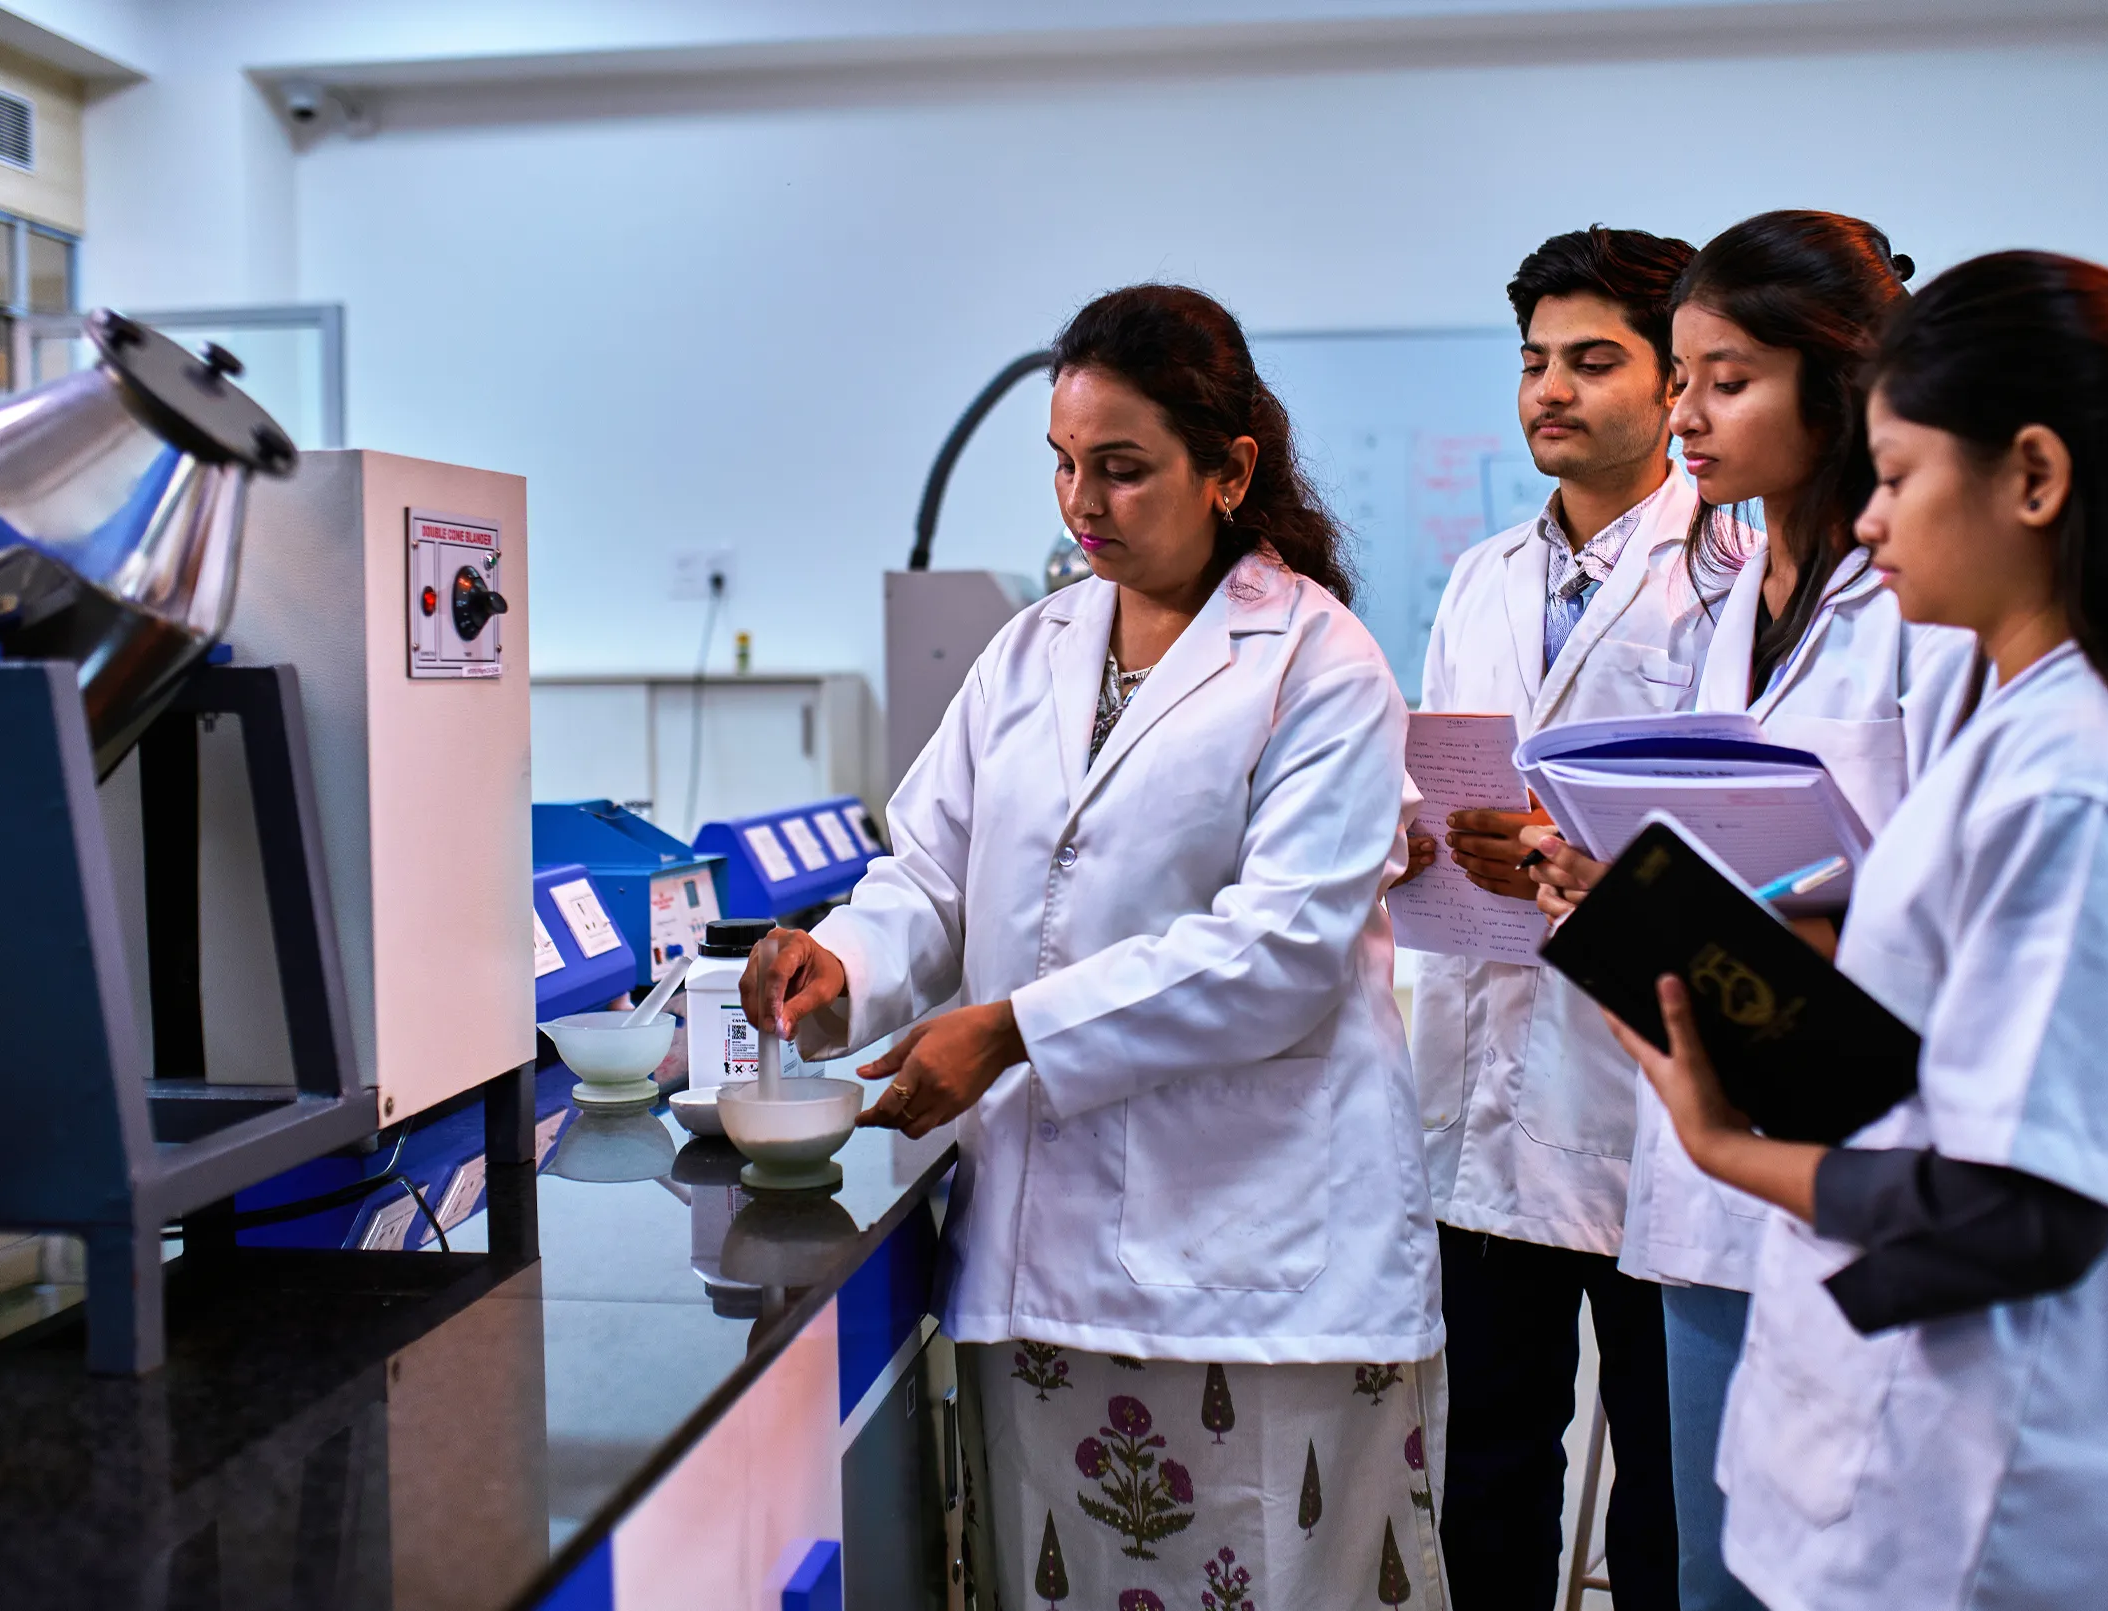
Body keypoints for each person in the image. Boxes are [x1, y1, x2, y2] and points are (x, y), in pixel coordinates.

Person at [742, 284, 1448, 1610]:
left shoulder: (1318, 662)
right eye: (1064, 465)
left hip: (1260, 1259)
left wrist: (1012, 1028)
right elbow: (928, 869)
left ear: (1229, 470)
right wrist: (844, 966)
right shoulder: (1031, 650)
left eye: (1122, 469)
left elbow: (1281, 949)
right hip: (1042, 1263)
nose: (1083, 502)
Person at [1613, 250, 2108, 1610]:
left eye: (1897, 476)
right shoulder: (2046, 731)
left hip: (1993, 1502)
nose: (1867, 523)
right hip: (1920, 1456)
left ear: (2032, 479)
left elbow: (2013, 1213)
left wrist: (1729, 1149)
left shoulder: (2090, 779)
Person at [1520, 210, 1978, 1611]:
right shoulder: (1733, 601)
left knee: (1831, 1565)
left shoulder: (1923, 608)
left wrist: (1778, 898)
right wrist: (1614, 881)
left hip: (1858, 1146)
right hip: (1718, 1164)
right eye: (1683, 375)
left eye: (1726, 380)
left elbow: (1944, 879)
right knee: (1712, 1568)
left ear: (1834, 383)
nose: (1686, 412)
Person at [1409, 224, 1721, 1611]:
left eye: (1593, 360)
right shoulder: (1478, 577)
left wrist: (1568, 851)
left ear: (1674, 385)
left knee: (1662, 1475)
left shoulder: (1723, 577)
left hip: (1647, 1087)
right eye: (1534, 360)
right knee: (1484, 1466)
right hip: (1479, 1076)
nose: (1550, 388)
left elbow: (1738, 833)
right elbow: (1437, 777)